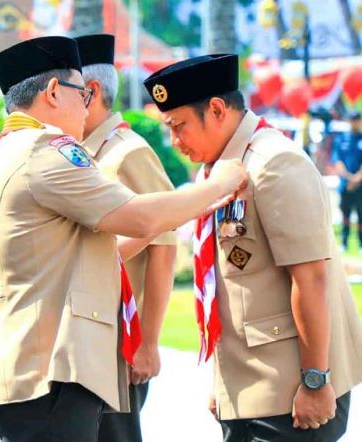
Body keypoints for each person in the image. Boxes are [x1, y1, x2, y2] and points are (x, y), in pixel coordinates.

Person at [0, 36, 246, 442]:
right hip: (50, 373)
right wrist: (218, 184)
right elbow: (140, 217)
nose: (86, 105)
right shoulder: (45, 150)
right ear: (52, 92)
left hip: (30, 369)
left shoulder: (10, 149)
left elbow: (80, 253)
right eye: (80, 93)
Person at [144, 54, 362, 442]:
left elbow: (311, 277)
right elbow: (228, 288)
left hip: (290, 393)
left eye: (179, 127)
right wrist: (224, 383)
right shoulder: (219, 167)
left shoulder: (274, 163)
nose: (175, 141)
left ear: (216, 109)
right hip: (251, 389)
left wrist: (315, 380)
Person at [76, 33, 177, 442]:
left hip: (121, 341)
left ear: (90, 92)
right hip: (90, 336)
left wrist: (148, 343)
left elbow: (164, 245)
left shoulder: (127, 152)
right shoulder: (80, 152)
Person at [332, 111, 362, 251]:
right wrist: (348, 178)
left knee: (361, 214)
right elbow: (337, 161)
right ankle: (344, 242)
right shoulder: (341, 139)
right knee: (345, 214)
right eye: (352, 120)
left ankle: (361, 244)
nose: (354, 123)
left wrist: (357, 179)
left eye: (357, 120)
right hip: (345, 184)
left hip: (360, 185)